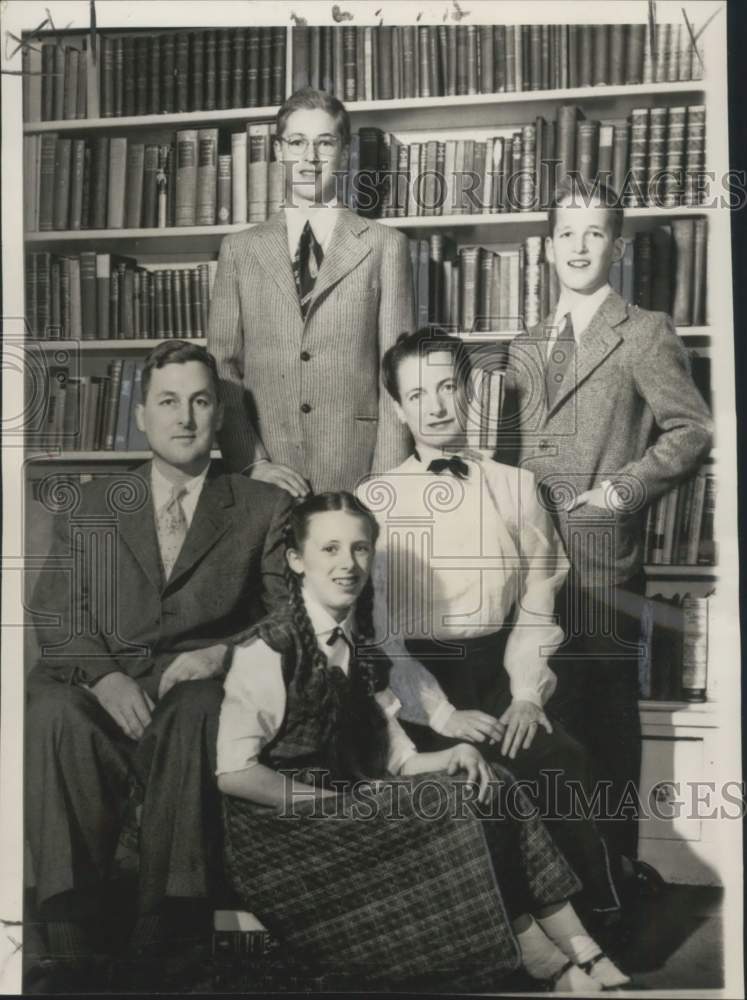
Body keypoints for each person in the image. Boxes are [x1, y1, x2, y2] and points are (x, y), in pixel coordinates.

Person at [216, 492, 629, 992]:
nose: (348, 564)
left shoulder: (361, 641)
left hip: (348, 801)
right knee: (448, 806)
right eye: (329, 550)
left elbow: (396, 759)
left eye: (361, 549)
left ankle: (580, 945)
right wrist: (335, 805)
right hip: (281, 834)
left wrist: (451, 753)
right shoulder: (269, 647)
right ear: (297, 560)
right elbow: (235, 774)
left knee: (492, 781)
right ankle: (543, 960)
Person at [25, 340, 292, 989]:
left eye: (201, 401)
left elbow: (294, 619)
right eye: (168, 402)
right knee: (50, 708)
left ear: (218, 416)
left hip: (194, 701)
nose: (185, 418)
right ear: (140, 415)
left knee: (203, 705)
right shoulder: (89, 504)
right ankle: (66, 917)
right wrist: (106, 676)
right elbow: (55, 613)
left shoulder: (259, 507)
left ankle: (166, 921)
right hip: (107, 696)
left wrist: (219, 654)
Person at [356, 327, 624, 925]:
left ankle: (588, 920)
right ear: (398, 407)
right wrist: (442, 715)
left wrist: (527, 696)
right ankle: (493, 931)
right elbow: (381, 630)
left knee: (553, 755)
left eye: (449, 387)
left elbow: (538, 598)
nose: (437, 405)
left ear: (469, 393)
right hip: (418, 680)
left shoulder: (516, 486)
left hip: (500, 667)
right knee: (463, 777)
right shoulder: (374, 499)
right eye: (419, 393)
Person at [503, 181, 713, 889]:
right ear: (547, 246)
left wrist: (620, 490)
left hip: (600, 563)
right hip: (528, 566)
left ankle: (613, 881)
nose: (579, 246)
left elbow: (690, 430)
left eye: (594, 234)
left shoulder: (642, 330)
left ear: (614, 246)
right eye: (567, 233)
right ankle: (551, 884)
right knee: (538, 721)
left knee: (604, 725)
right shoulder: (523, 344)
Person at [208, 86, 415, 497]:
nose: (309, 158)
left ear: (346, 150)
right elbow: (221, 368)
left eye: (325, 143)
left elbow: (398, 375)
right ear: (278, 150)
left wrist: (386, 483)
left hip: (356, 475)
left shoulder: (385, 245)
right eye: (297, 143)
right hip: (267, 479)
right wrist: (252, 462)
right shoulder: (240, 249)